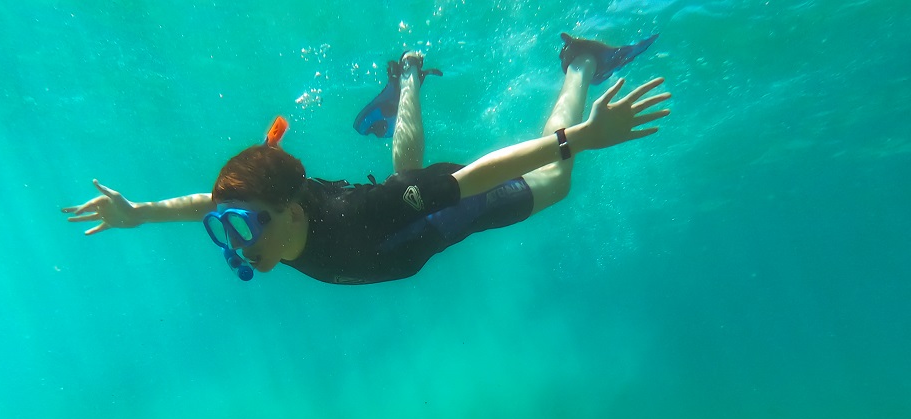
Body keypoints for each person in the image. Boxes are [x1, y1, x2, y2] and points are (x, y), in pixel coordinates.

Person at [63, 34, 670, 285]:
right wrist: (138, 212)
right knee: (406, 173)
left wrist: (581, 139)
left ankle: (580, 64)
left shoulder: (365, 215)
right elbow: (206, 203)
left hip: (420, 218)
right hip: (397, 207)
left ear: (292, 211)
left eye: (246, 223)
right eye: (230, 226)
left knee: (554, 182)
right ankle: (407, 73)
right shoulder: (274, 218)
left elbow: (474, 176)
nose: (237, 240)